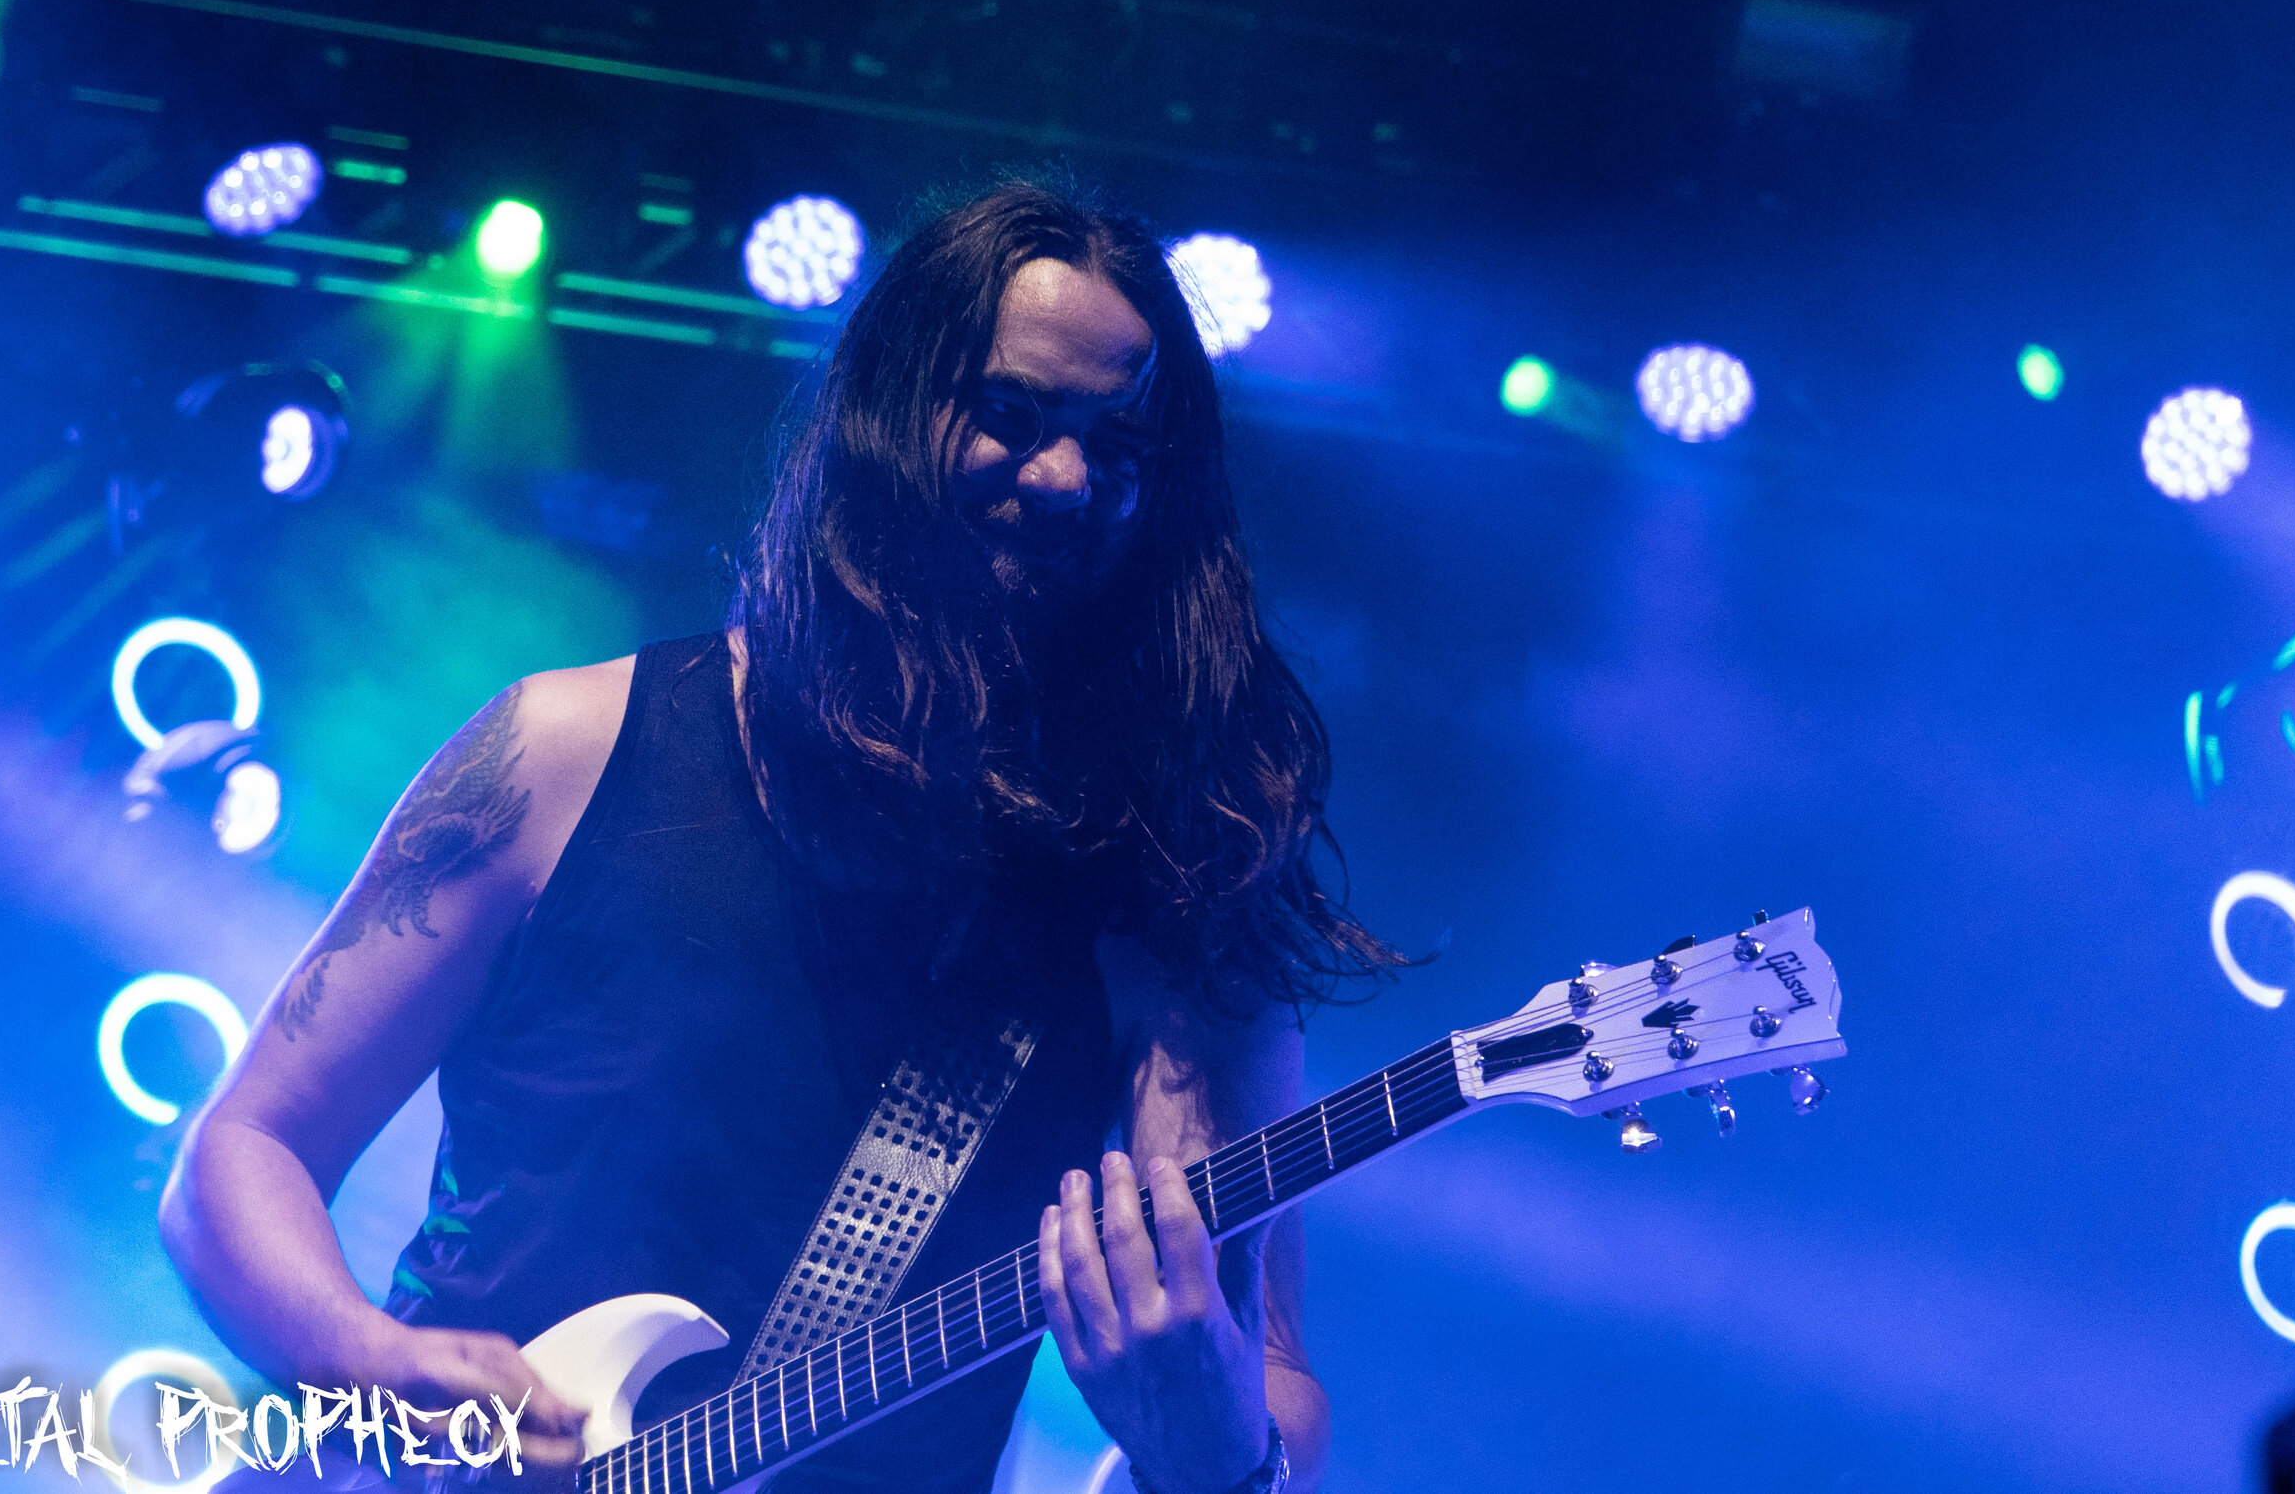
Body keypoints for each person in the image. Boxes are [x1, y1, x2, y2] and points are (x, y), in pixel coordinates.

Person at [161, 178, 1403, 1494]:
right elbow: (247, 1147)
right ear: (888, 414)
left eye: (1121, 445)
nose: (1065, 476)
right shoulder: (573, 744)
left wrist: (1214, 1449)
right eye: (1011, 414)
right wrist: (366, 1356)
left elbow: (1264, 1363)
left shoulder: (1172, 895)